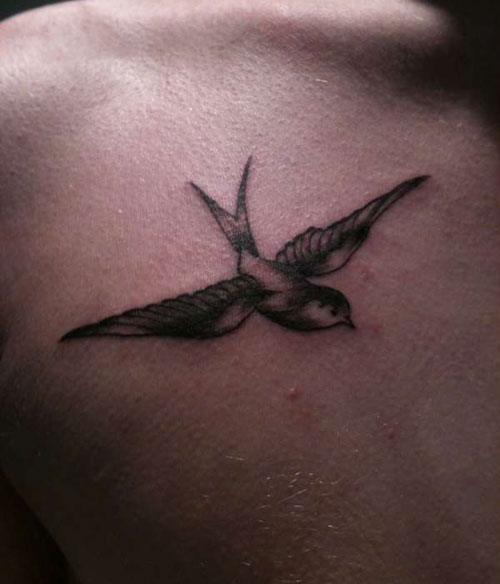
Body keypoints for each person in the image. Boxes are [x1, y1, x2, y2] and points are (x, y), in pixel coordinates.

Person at [0, 1, 498, 582]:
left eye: (332, 310)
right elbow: (362, 220)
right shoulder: (26, 104)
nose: (333, 313)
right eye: (332, 308)